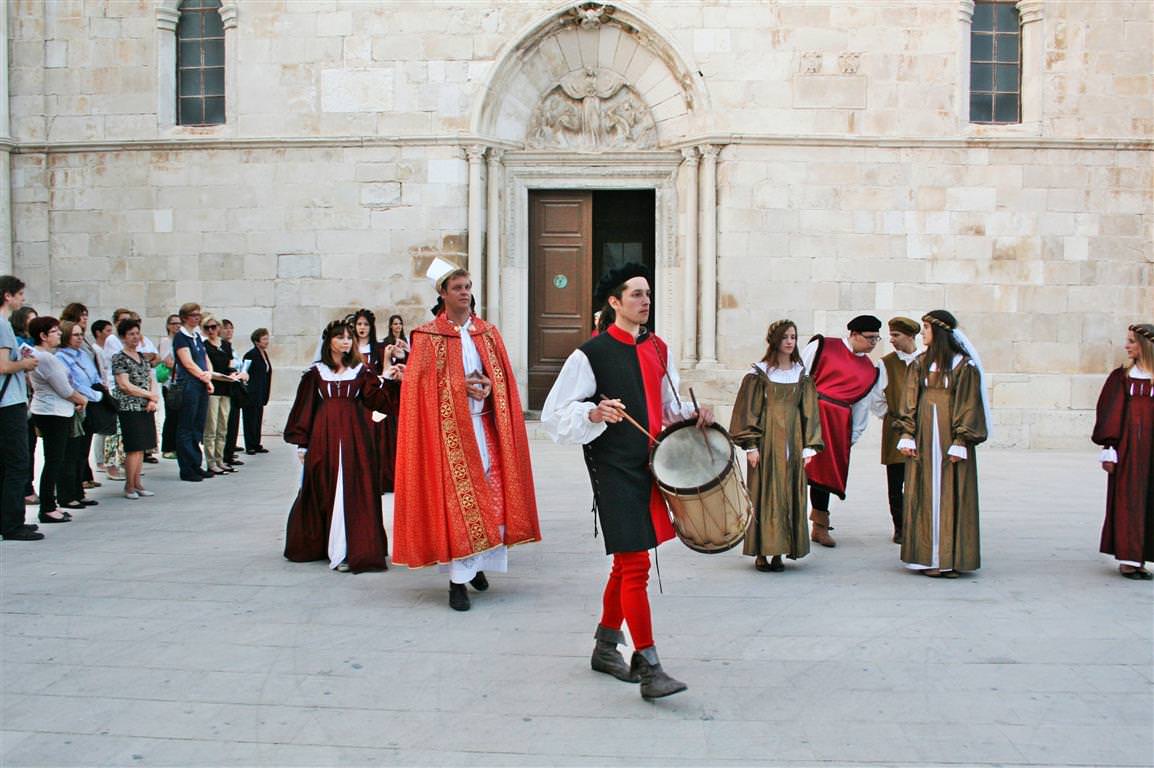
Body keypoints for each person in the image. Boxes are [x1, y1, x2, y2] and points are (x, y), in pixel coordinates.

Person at [541, 263, 709, 700]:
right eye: (635, 294)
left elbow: (668, 408)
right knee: (635, 565)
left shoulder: (659, 349)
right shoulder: (590, 355)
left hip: (652, 468)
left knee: (626, 563)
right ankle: (649, 665)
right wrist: (593, 413)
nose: (645, 301)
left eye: (647, 293)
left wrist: (694, 416)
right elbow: (554, 416)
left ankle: (604, 645)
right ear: (614, 303)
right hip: (612, 467)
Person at [392, 261, 541, 611]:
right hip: (448, 436)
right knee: (457, 503)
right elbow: (419, 391)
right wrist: (460, 389)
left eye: (468, 286)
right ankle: (456, 583)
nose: (465, 292)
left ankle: (478, 565)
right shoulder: (427, 337)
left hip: (483, 426)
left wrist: (490, 387)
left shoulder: (487, 333)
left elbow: (501, 381)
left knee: (490, 496)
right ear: (442, 293)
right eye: (458, 287)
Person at [283, 319, 397, 573]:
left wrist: (389, 382)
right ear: (330, 342)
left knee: (351, 490)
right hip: (323, 440)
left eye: (349, 337)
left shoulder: (360, 371)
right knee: (324, 486)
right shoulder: (315, 374)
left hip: (355, 439)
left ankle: (349, 549)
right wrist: (302, 444)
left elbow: (377, 401)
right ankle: (326, 545)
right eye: (340, 337)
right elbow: (305, 409)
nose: (346, 341)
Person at [894, 310, 989, 578]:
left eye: (926, 328)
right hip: (924, 439)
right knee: (925, 491)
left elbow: (970, 404)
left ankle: (949, 558)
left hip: (950, 437)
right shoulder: (920, 364)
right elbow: (909, 399)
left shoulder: (963, 366)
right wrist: (907, 433)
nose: (922, 333)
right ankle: (927, 556)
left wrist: (961, 439)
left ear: (940, 332)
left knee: (950, 492)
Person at [729, 319, 823, 573]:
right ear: (775, 341)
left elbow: (809, 413)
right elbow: (748, 412)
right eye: (785, 337)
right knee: (764, 495)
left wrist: (809, 446)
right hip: (767, 442)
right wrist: (751, 445)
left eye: (793, 336)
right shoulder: (759, 374)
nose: (790, 341)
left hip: (793, 441)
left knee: (789, 494)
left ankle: (781, 550)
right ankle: (762, 551)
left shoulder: (801, 375)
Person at [801, 315, 886, 547]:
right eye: (869, 338)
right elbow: (800, 376)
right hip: (809, 413)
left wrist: (851, 437)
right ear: (854, 334)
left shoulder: (869, 370)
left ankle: (819, 526)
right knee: (795, 470)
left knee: (823, 474)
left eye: (876, 339)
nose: (873, 343)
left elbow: (862, 406)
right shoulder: (823, 346)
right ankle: (787, 524)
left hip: (837, 423)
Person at [1092, 323, 1154, 580]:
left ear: (1146, 346)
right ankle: (1129, 559)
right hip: (1130, 449)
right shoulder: (1122, 377)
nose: (1127, 345)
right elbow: (1110, 412)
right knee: (1129, 499)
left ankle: (1143, 558)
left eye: (1132, 341)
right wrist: (1110, 447)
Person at [27, 316, 87, 525]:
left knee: (55, 459)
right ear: (43, 336)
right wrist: (81, 399)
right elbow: (63, 388)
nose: (59, 334)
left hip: (49, 409)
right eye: (54, 331)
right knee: (55, 460)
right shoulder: (46, 358)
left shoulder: (41, 355)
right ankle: (48, 507)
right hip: (53, 412)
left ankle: (50, 505)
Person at [0, 276, 42, 541]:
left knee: (6, 464)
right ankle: (13, 523)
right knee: (17, 463)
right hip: (9, 403)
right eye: (20, 294)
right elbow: (3, 366)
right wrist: (25, 365)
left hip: (6, 402)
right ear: (7, 295)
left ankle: (8, 521)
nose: (22, 299)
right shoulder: (3, 325)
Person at [57, 319, 108, 511]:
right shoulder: (61, 357)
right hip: (76, 405)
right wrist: (93, 395)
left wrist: (97, 393)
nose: (79, 338)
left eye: (81, 335)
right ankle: (66, 494)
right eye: (75, 335)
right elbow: (73, 382)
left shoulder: (83, 354)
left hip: (90, 402)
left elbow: (94, 376)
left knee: (81, 453)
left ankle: (78, 491)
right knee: (70, 453)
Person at [879, 317, 921, 543]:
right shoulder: (886, 363)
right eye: (891, 335)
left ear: (910, 336)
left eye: (896, 335)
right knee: (896, 481)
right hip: (895, 428)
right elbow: (877, 397)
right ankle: (900, 527)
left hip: (922, 429)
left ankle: (918, 524)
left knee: (920, 478)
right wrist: (893, 416)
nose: (892, 340)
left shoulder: (925, 361)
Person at [112, 318, 160, 500]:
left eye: (137, 333)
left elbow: (151, 378)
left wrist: (152, 398)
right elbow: (124, 385)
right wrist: (148, 395)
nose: (135, 337)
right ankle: (129, 485)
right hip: (128, 406)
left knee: (142, 447)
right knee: (133, 447)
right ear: (123, 337)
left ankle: (138, 482)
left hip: (144, 406)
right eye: (130, 334)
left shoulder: (142, 356)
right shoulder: (119, 358)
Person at [172, 303, 214, 482]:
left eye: (198, 314)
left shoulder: (196, 336)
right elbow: (187, 362)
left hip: (201, 383)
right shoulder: (181, 337)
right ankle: (187, 468)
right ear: (184, 317)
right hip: (189, 384)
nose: (197, 317)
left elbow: (205, 359)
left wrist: (209, 376)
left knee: (198, 426)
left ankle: (196, 463)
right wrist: (204, 377)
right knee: (186, 427)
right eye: (193, 315)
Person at [201, 315, 241, 475]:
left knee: (223, 427)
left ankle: (220, 459)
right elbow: (208, 369)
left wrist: (235, 374)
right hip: (213, 389)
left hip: (226, 389)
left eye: (213, 327)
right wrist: (222, 376)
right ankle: (211, 462)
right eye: (207, 328)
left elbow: (231, 364)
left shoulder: (225, 345)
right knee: (211, 428)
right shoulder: (204, 346)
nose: (211, 330)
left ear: (218, 328)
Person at [11, 304, 40, 508]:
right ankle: (25, 491)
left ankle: (27, 488)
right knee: (22, 449)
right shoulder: (18, 342)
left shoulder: (33, 342)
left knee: (30, 445)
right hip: (21, 399)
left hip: (29, 399)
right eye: (30, 319)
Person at [377, 314, 408, 492]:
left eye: (399, 323)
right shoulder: (385, 345)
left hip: (404, 390)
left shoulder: (405, 344)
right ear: (390, 326)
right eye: (394, 323)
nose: (397, 326)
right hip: (391, 391)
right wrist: (389, 359)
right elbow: (384, 369)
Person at [242, 327, 272, 455]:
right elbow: (244, 371)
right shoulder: (251, 355)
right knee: (250, 419)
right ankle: (250, 445)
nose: (267, 341)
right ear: (256, 341)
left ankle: (256, 443)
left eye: (267, 338)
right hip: (251, 392)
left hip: (261, 391)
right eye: (264, 339)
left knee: (257, 418)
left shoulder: (264, 354)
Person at [220, 319, 246, 468]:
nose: (229, 331)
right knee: (226, 422)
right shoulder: (220, 347)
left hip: (235, 386)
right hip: (226, 387)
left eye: (231, 328)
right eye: (225, 328)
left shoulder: (230, 348)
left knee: (234, 421)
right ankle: (224, 454)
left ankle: (229, 452)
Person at [157, 313, 181, 459]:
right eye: (173, 323)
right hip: (170, 384)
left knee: (179, 416)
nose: (177, 326)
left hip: (180, 382)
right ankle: (168, 447)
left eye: (179, 323)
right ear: (168, 326)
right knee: (171, 415)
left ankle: (177, 446)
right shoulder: (166, 341)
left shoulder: (181, 340)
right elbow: (167, 361)